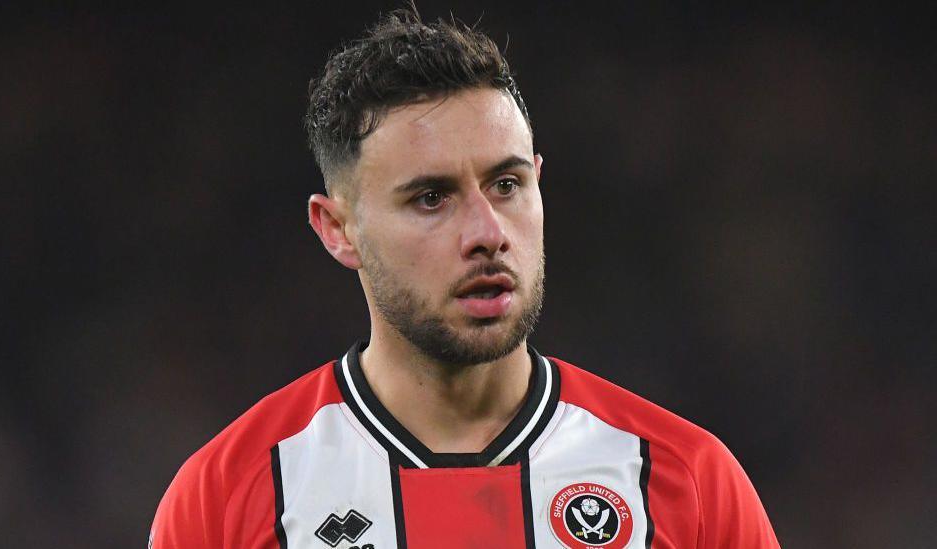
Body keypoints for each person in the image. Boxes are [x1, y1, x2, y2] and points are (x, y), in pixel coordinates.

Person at [150, 7, 779, 549]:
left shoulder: (687, 483)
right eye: (431, 198)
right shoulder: (227, 498)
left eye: (507, 185)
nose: (487, 231)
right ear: (338, 229)